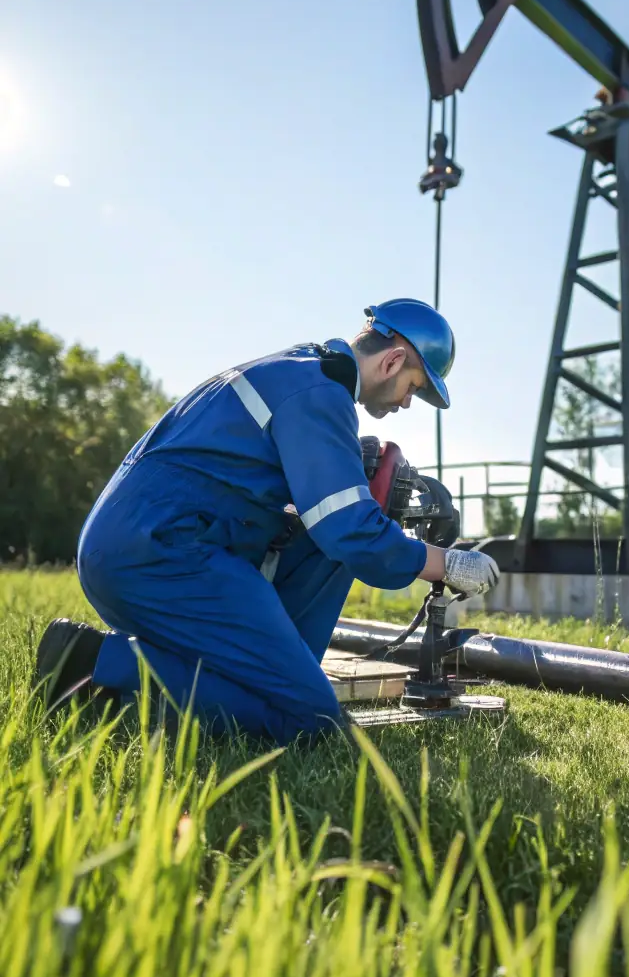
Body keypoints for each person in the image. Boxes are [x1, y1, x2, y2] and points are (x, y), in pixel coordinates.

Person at [34, 299, 500, 743]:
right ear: (394, 361)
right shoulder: (320, 396)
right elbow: (349, 529)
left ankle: (278, 674)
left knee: (293, 662)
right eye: (414, 389)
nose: (405, 404)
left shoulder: (300, 370)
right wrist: (446, 563)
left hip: (146, 543)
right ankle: (95, 663)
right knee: (308, 718)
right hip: (161, 555)